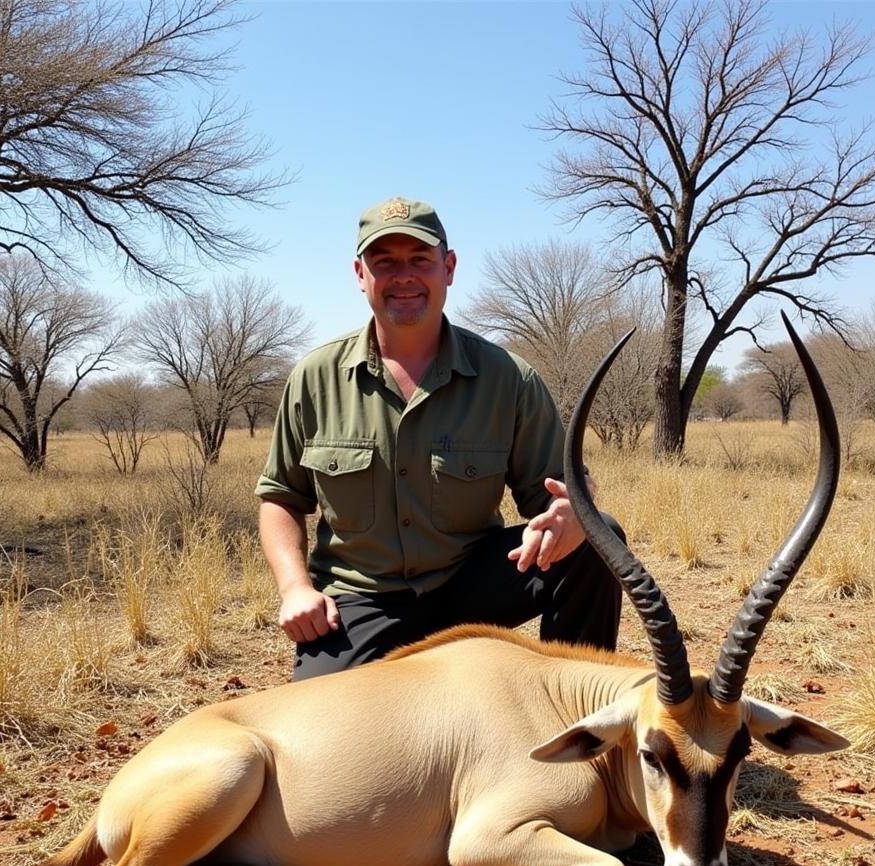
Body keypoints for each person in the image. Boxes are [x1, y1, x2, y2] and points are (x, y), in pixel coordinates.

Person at [256, 196, 623, 680]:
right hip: (362, 603)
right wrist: (295, 589)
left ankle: (574, 708)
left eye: (419, 260)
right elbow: (280, 497)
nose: (403, 275)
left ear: (448, 268)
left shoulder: (508, 377)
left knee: (598, 537)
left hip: (470, 587)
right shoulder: (314, 377)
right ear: (360, 273)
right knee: (332, 748)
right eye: (384, 262)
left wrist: (572, 513)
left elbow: (563, 488)